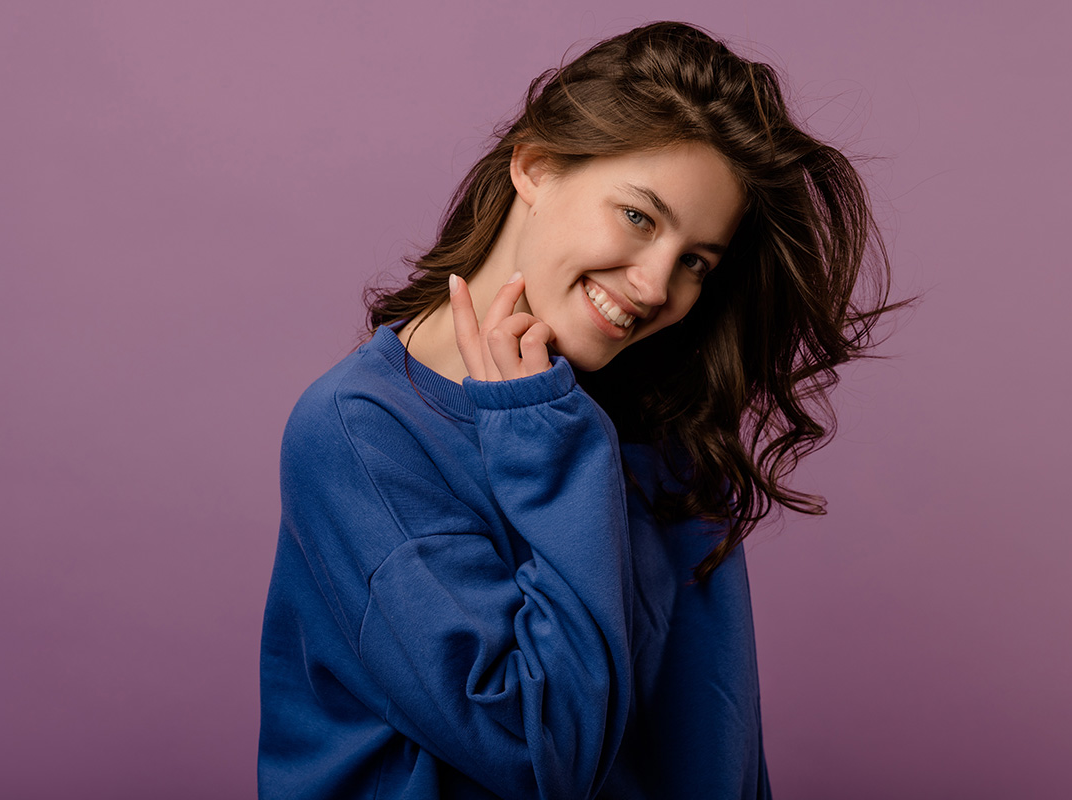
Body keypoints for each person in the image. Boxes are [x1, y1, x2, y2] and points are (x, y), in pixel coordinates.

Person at [259, 21, 899, 799]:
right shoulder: (360, 433)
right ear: (535, 166)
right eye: (638, 217)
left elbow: (717, 741)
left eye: (696, 261)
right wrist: (546, 443)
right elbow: (540, 754)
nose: (659, 287)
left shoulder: (672, 435)